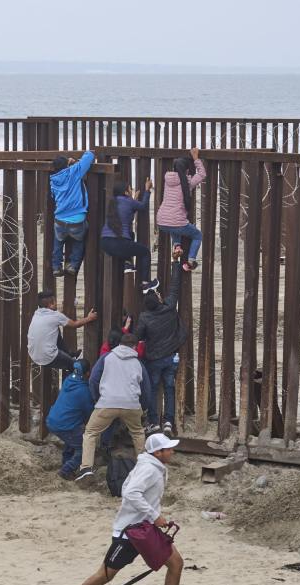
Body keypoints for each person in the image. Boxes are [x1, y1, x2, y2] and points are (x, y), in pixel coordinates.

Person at [51, 433, 195, 585]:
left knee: (176, 563)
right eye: (168, 449)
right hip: (130, 533)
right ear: (158, 452)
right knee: (105, 575)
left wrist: (152, 518)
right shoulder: (149, 469)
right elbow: (130, 492)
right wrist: (154, 516)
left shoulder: (151, 466)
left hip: (146, 530)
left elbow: (128, 485)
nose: (172, 452)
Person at [75, 334, 149, 482]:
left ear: (119, 345)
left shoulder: (106, 358)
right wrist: (143, 408)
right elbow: (146, 388)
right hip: (131, 404)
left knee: (90, 433)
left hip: (107, 402)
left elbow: (94, 379)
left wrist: (98, 398)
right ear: (134, 346)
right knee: (138, 433)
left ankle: (86, 469)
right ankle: (145, 467)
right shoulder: (138, 363)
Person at [136, 268, 189, 436]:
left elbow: (137, 336)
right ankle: (168, 422)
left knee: (152, 389)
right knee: (169, 389)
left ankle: (153, 422)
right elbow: (174, 287)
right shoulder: (169, 307)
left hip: (154, 360)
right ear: (158, 300)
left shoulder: (144, 317)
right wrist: (175, 264)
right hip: (171, 357)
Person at [100, 178, 159, 293]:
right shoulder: (129, 201)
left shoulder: (112, 201)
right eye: (130, 189)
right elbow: (143, 207)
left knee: (130, 235)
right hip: (119, 242)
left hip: (105, 242)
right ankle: (145, 283)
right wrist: (147, 190)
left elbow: (126, 213)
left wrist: (133, 200)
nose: (132, 190)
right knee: (145, 252)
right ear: (126, 192)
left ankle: (127, 264)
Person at [156, 149, 207, 272]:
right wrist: (196, 159)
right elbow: (202, 174)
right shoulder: (187, 182)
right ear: (187, 170)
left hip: (161, 220)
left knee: (174, 225)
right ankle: (190, 261)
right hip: (176, 222)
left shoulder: (168, 180)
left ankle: (177, 246)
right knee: (197, 235)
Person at [49, 151, 95, 275]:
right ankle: (73, 265)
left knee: (58, 243)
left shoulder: (53, 181)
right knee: (79, 242)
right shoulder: (74, 172)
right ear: (67, 164)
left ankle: (56, 266)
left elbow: (53, 196)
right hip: (77, 218)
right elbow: (90, 156)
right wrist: (73, 162)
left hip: (60, 219)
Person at [46, 358, 94, 478]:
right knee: (84, 447)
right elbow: (90, 413)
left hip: (52, 420)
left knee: (72, 439)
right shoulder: (84, 391)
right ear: (88, 373)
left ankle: (65, 462)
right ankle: (67, 470)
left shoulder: (68, 380)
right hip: (65, 425)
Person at [27, 290, 98, 371]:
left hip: (34, 356)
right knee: (76, 367)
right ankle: (73, 373)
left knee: (55, 329)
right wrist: (89, 318)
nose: (57, 303)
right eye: (55, 302)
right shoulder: (55, 316)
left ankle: (69, 354)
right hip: (49, 357)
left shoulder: (36, 314)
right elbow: (75, 324)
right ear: (51, 304)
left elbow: (53, 321)